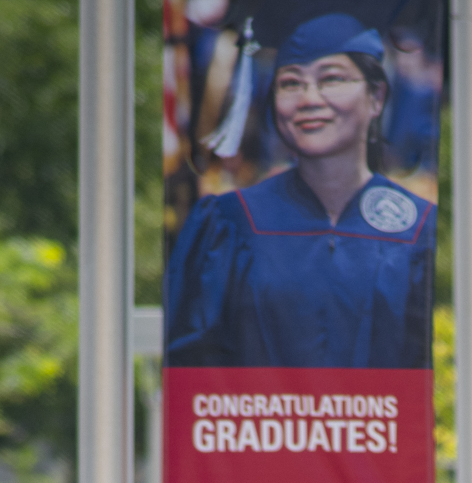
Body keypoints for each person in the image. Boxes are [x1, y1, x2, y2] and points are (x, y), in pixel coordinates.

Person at [165, 14, 437, 370]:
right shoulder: (228, 224)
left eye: (333, 78)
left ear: (376, 96)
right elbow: (192, 368)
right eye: (290, 83)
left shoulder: (417, 229)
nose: (309, 98)